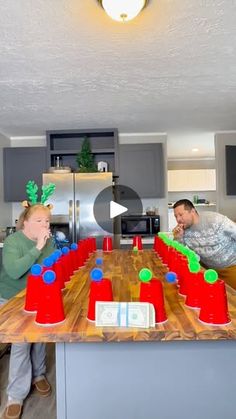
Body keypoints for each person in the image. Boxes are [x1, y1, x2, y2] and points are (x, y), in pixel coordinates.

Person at [0, 203, 55, 419]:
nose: (44, 225)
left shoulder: (48, 242)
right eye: (39, 221)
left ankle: (38, 375)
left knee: (39, 336)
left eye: (47, 221)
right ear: (25, 222)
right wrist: (38, 248)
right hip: (11, 300)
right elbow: (14, 272)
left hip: (36, 297)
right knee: (22, 341)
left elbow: (51, 266)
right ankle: (15, 396)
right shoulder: (14, 241)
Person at [172, 199, 236, 289]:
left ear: (192, 211)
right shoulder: (181, 231)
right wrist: (178, 237)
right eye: (176, 216)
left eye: (181, 215)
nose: (178, 219)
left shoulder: (217, 220)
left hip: (231, 267)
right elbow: (178, 255)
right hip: (207, 270)